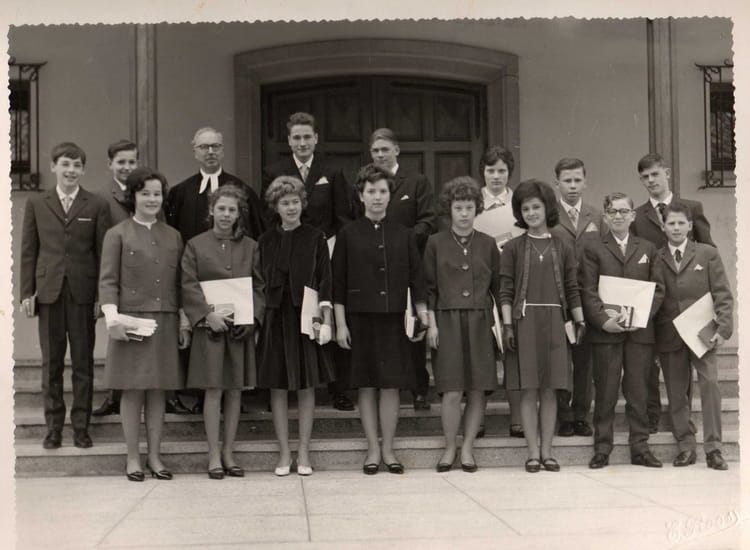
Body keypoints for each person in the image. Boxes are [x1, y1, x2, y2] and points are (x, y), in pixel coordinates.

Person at [333, 164, 428, 475]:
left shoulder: (404, 234)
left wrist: (422, 316)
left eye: (383, 191)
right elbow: (337, 283)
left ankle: (388, 448)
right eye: (371, 191)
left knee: (390, 385)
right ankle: (372, 448)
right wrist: (340, 324)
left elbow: (417, 279)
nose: (377, 197)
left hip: (394, 319)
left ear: (390, 195)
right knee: (366, 385)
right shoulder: (348, 234)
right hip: (359, 319)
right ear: (361, 196)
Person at [165, 126, 266, 414]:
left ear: (223, 150)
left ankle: (235, 396)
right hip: (199, 287)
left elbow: (255, 237)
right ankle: (199, 395)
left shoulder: (242, 190)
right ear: (194, 151)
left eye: (215, 146)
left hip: (237, 289)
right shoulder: (180, 192)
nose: (210, 152)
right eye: (204, 147)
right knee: (204, 355)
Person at [98, 167, 191, 481]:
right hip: (131, 321)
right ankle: (133, 458)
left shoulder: (173, 235)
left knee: (158, 391)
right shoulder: (117, 234)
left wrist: (183, 321)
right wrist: (112, 318)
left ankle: (154, 456)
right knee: (133, 390)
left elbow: (180, 283)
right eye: (145, 193)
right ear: (133, 196)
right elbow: (108, 281)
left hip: (165, 319)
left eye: (157, 194)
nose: (152, 199)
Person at [20, 142, 111, 449]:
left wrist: (101, 296)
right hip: (49, 292)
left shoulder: (96, 204)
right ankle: (54, 428)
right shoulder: (37, 203)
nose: (71, 170)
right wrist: (26, 292)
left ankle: (81, 428)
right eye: (65, 164)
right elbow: (29, 250)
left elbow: (102, 254)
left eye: (76, 165)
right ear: (53, 167)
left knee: (83, 363)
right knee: (52, 364)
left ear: (83, 170)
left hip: (83, 293)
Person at [261, 112, 355, 412]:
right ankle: (284, 386)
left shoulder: (332, 171)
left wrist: (335, 253)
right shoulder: (274, 171)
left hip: (325, 250)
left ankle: (338, 389)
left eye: (307, 137)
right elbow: (269, 218)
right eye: (296, 138)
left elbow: (342, 216)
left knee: (327, 314)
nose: (302, 143)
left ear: (315, 139)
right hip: (289, 253)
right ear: (289, 141)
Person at [499, 179, 585, 473]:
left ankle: (548, 452)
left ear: (547, 208)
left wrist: (579, 319)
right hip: (524, 322)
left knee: (550, 390)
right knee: (528, 390)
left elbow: (572, 287)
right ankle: (532, 453)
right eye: (525, 209)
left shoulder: (562, 245)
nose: (531, 213)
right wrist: (508, 325)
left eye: (536, 207)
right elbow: (506, 290)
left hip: (556, 321)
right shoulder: (512, 248)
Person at [181, 185, 265, 479]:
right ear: (211, 210)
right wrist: (206, 314)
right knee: (213, 389)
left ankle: (229, 451)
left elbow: (258, 286)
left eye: (232, 210)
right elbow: (188, 284)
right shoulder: (195, 245)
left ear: (239, 214)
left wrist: (252, 318)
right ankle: (213, 455)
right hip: (210, 329)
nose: (226, 215)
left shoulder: (251, 246)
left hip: (239, 330)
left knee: (235, 390)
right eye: (221, 209)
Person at [579, 192, 664, 469]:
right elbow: (588, 289)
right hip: (606, 332)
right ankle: (602, 447)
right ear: (605, 217)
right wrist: (603, 320)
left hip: (639, 333)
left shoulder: (648, 248)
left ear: (632, 215)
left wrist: (641, 317)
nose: (618, 216)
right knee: (605, 391)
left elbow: (658, 289)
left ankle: (640, 447)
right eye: (613, 212)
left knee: (638, 391)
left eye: (623, 211)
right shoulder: (593, 248)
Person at [631, 153, 715, 434]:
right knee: (649, 362)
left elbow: (708, 251)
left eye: (655, 174)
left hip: (688, 303)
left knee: (684, 365)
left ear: (666, 173)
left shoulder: (692, 208)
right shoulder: (638, 216)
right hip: (653, 301)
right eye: (644, 177)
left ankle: (683, 420)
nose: (650, 180)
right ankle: (653, 415)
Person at [257, 176, 336, 476]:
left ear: (303, 204)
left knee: (306, 384)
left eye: (294, 202)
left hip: (306, 315)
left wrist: (325, 317)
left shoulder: (315, 237)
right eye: (284, 203)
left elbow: (325, 277)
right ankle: (283, 451)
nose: (290, 208)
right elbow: (259, 280)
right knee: (277, 385)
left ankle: (303, 450)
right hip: (275, 317)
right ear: (275, 207)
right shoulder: (265, 240)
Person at [425, 177, 500, 473]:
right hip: (447, 320)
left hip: (480, 320)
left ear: (477, 208)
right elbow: (429, 289)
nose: (464, 213)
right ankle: (449, 446)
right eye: (459, 208)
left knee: (478, 388)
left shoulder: (488, 243)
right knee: (452, 389)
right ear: (450, 209)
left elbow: (498, 288)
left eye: (469, 207)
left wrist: (500, 326)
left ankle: (468, 446)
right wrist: (431, 325)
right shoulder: (435, 243)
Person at [653, 202, 733, 470]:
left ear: (689, 225)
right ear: (663, 227)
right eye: (671, 223)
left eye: (681, 223)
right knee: (676, 392)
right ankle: (686, 446)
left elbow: (722, 293)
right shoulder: (657, 257)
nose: (676, 228)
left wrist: (723, 328)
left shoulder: (707, 253)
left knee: (710, 386)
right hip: (670, 333)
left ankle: (714, 448)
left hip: (703, 333)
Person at [368, 128, 436, 411]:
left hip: (408, 264)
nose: (380, 155)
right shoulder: (368, 183)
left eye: (385, 149)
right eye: (375, 151)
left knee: (412, 326)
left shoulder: (417, 181)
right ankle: (382, 384)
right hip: (375, 267)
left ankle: (419, 388)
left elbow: (428, 220)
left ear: (396, 150)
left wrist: (401, 242)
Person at [473, 145, 525, 439]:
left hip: (511, 284)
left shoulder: (519, 203)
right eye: (490, 170)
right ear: (483, 172)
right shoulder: (472, 202)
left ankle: (517, 417)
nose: (496, 176)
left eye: (501, 171)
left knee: (512, 351)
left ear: (509, 173)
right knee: (481, 353)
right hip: (479, 284)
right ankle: (477, 419)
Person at [549, 158, 601, 438]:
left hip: (588, 297)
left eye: (577, 180)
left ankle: (581, 414)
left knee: (585, 360)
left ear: (585, 182)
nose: (572, 186)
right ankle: (564, 415)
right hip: (558, 297)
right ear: (556, 182)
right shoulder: (549, 217)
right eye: (567, 180)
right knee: (560, 359)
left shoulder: (596, 216)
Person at [93, 139, 139, 417]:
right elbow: (98, 244)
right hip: (117, 277)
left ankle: (162, 394)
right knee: (119, 336)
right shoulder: (102, 198)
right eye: (121, 162)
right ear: (110, 164)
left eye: (132, 161)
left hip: (145, 277)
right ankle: (115, 396)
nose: (126, 167)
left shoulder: (146, 191)